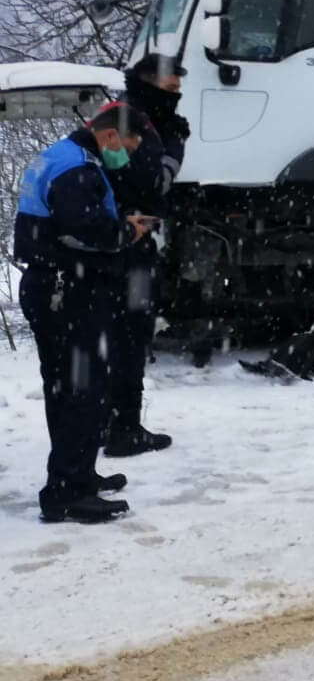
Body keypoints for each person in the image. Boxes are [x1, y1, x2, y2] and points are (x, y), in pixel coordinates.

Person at [14, 103, 157, 523]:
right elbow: (83, 229)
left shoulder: (62, 156)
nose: (127, 155)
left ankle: (77, 476)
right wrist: (128, 231)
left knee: (73, 389)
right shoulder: (77, 167)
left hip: (59, 287)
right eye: (129, 146)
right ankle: (65, 493)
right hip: (66, 290)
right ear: (111, 136)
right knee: (80, 389)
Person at [103, 53, 188, 455]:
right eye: (171, 89)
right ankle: (123, 430)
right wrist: (174, 145)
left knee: (125, 337)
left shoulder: (131, 118)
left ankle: (116, 424)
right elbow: (152, 182)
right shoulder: (125, 122)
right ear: (148, 83)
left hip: (124, 243)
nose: (177, 97)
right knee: (130, 337)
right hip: (125, 246)